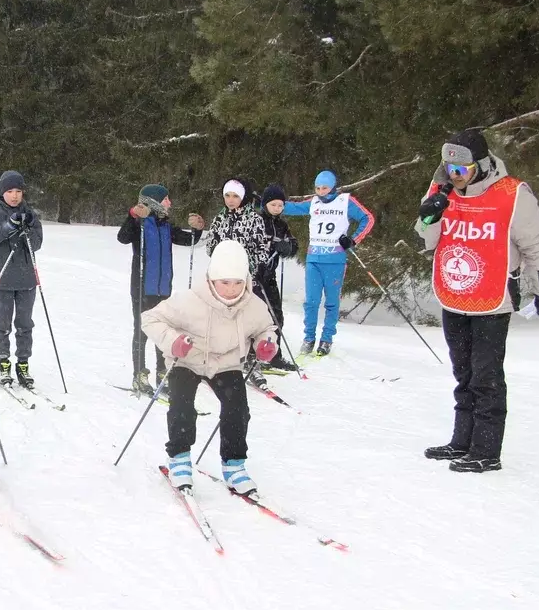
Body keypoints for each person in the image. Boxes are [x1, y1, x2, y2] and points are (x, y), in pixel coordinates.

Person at [414, 128, 539, 474]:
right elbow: (427, 240)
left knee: (486, 377)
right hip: (455, 294)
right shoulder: (442, 189)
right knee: (462, 373)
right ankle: (462, 441)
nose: (454, 176)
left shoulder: (512, 194)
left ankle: (486, 450)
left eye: (461, 170)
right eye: (449, 169)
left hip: (492, 300)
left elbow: (535, 246)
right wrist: (429, 215)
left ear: (479, 165)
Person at [141, 240, 277, 495]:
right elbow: (149, 318)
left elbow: (266, 329)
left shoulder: (253, 304)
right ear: (212, 279)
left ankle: (234, 465)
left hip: (226, 362)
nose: (231, 289)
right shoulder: (189, 300)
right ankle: (179, 459)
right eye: (224, 282)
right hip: (188, 359)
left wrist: (265, 344)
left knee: (237, 409)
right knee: (182, 406)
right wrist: (173, 342)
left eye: (237, 282)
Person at [117, 182, 205, 394]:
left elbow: (187, 240)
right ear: (154, 201)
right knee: (142, 331)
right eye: (166, 199)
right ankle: (139, 375)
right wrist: (133, 215)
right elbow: (123, 237)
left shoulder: (166, 225)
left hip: (163, 289)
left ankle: (161, 374)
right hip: (142, 288)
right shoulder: (140, 224)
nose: (170, 203)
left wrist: (198, 230)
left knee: (163, 332)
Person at [280, 170, 375, 356]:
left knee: (331, 302)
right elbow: (291, 207)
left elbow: (368, 218)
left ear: (333, 187)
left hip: (335, 260)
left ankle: (326, 339)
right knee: (311, 302)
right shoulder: (313, 202)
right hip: (314, 259)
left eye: (324, 187)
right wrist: (268, 202)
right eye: (317, 188)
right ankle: (309, 338)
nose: (321, 191)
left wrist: (353, 240)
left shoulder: (345, 201)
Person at [0, 169, 44, 389]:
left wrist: (26, 229)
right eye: (9, 191)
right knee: (3, 324)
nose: (15, 195)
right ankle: (3, 362)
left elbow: (37, 244)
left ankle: (23, 364)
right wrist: (8, 226)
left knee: (25, 324)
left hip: (27, 281)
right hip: (2, 279)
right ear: (2, 193)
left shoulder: (31, 214)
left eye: (18, 191)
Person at [256, 184, 301, 373]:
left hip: (270, 276)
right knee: (256, 318)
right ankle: (252, 356)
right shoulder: (256, 220)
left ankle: (274, 355)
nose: (277, 209)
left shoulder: (282, 225)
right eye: (273, 205)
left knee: (276, 316)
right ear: (265, 204)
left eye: (280, 205)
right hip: (253, 276)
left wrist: (287, 247)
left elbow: (294, 245)